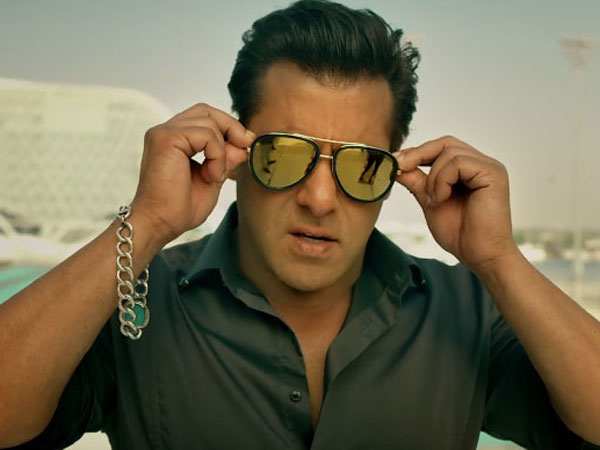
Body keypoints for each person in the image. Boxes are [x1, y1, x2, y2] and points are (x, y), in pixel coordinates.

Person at [1, 1, 599, 449]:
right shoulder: (136, 305)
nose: (319, 198)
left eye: (361, 165)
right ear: (235, 152)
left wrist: (500, 261)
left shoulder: (466, 313)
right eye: (283, 155)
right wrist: (149, 220)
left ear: (395, 170)